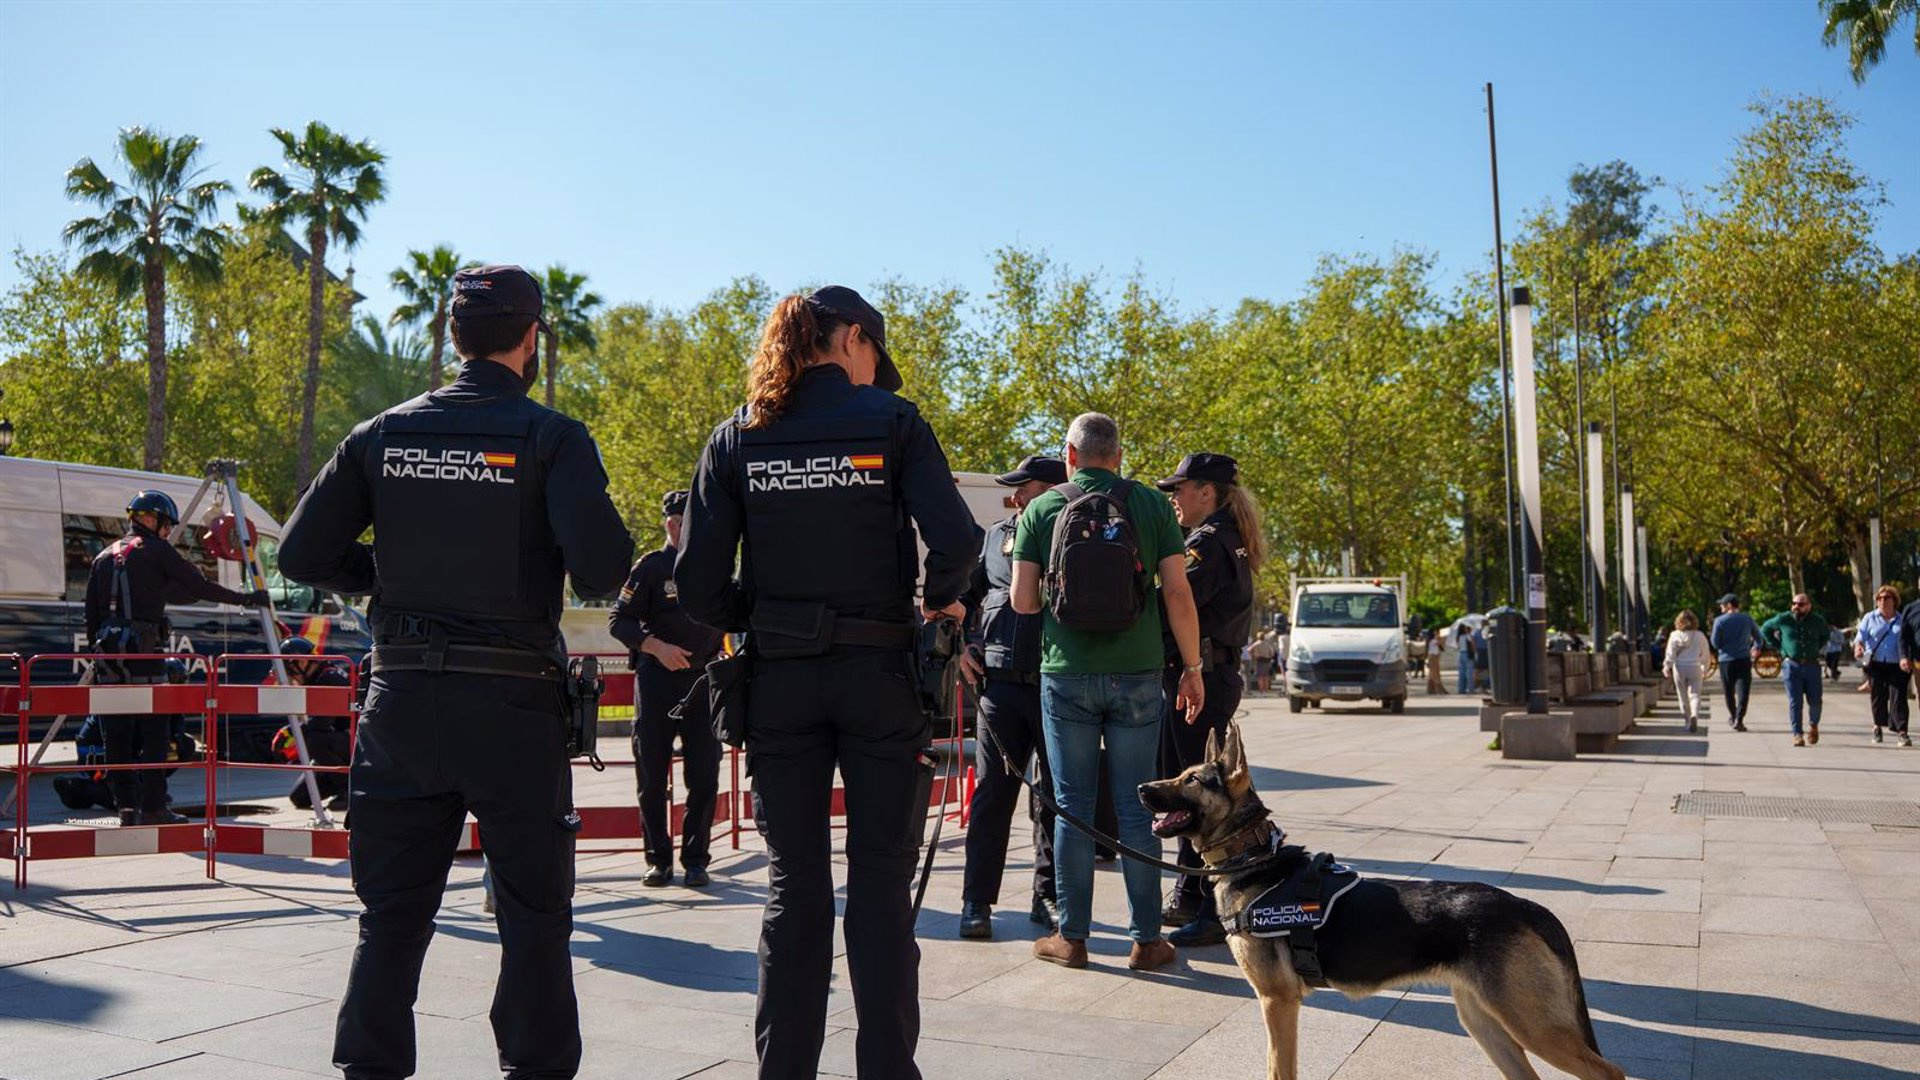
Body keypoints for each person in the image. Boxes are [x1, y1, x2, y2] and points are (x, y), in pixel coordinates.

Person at [278, 264, 634, 1080]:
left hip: (401, 700)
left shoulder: (380, 434)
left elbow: (302, 553)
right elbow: (604, 569)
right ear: (530, 336)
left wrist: (393, 574)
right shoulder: (550, 437)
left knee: (391, 918)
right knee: (535, 918)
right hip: (511, 704)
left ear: (453, 338)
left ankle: (369, 1070)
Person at [674, 285, 976, 1080]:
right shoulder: (894, 424)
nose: (878, 372)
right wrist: (931, 604)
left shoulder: (737, 438)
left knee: (793, 889)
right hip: (880, 676)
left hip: (779, 682)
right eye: (876, 353)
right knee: (879, 889)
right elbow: (957, 542)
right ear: (849, 338)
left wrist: (766, 615)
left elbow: (699, 585)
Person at [1009, 412, 1203, 973]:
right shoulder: (1148, 505)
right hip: (1139, 674)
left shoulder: (1043, 508)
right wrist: (1191, 666)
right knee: (1134, 808)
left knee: (1071, 808)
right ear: (1118, 455)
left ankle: (1071, 939)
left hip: (1065, 673)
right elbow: (1178, 594)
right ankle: (1147, 941)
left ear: (1069, 455)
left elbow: (1023, 603)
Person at [85, 489, 266, 827]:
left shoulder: (103, 556)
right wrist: (247, 599)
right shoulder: (156, 551)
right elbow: (199, 587)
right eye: (167, 525)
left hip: (108, 656)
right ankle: (154, 806)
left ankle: (125, 807)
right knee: (156, 730)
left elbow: (91, 616)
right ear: (154, 520)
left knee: (117, 734)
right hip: (146, 653)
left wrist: (99, 657)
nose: (168, 532)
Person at [956, 455, 1066, 940]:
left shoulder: (1073, 533)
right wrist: (961, 645)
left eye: (1026, 487)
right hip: (999, 687)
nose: (1016, 496)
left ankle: (1050, 897)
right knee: (991, 798)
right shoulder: (998, 534)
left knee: (1054, 801)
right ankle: (976, 901)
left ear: (1052, 489)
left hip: (1056, 684)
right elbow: (966, 596)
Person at [1155, 452, 1260, 948]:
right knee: (1196, 789)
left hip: (1199, 677)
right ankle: (1192, 894)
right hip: (1213, 675)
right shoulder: (1227, 539)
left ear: (1206, 492)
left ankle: (1201, 901)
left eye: (1179, 488)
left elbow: (1172, 603)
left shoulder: (1208, 544)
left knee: (1194, 794)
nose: (1173, 498)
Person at [608, 488, 725, 889]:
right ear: (671, 524)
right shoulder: (652, 568)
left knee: (705, 777)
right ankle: (658, 861)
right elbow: (618, 620)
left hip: (702, 681)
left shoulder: (714, 565)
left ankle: (696, 860)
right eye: (682, 522)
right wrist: (655, 647)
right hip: (658, 682)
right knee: (652, 778)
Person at [271, 637, 354, 811]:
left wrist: (289, 733)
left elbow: (320, 724)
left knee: (314, 739)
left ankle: (348, 791)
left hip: (355, 745)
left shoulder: (329, 678)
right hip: (340, 745)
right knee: (299, 798)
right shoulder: (317, 677)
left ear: (300, 662)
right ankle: (338, 779)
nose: (291, 677)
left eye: (290, 671)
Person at [1757, 593, 1829, 747]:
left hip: (1812, 665)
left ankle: (1813, 725)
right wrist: (1780, 648)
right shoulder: (1784, 618)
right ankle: (1797, 734)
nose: (1797, 607)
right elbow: (1765, 629)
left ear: (1809, 606)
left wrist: (1815, 648)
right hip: (1792, 665)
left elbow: (1825, 635)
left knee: (1815, 701)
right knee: (1795, 702)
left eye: (1801, 604)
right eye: (1794, 603)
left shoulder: (1817, 621)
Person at [1855, 585, 1911, 746]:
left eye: (1887, 598)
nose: (1882, 601)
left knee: (1898, 697)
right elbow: (1861, 636)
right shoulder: (1869, 617)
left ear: (1894, 600)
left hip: (1897, 663)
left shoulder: (1902, 620)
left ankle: (1902, 732)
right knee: (1878, 697)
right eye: (1879, 598)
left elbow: (1907, 640)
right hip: (1875, 664)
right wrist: (1859, 646)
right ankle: (1877, 727)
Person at [1710, 593, 1756, 732]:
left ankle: (1733, 716)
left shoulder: (1719, 621)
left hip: (1726, 661)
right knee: (1743, 691)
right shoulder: (1747, 619)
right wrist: (1755, 647)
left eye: (1722, 604)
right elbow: (1759, 638)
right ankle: (1739, 719)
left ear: (1729, 605)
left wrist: (1724, 646)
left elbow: (1715, 642)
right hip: (1743, 659)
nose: (1720, 607)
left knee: (1728, 691)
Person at [1661, 610, 1709, 733]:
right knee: (1695, 694)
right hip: (1695, 667)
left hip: (1680, 668)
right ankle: (1694, 715)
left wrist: (1667, 667)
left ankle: (1687, 721)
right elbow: (1705, 654)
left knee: (1682, 696)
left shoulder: (1674, 635)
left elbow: (1670, 653)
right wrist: (1705, 668)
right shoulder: (1700, 635)